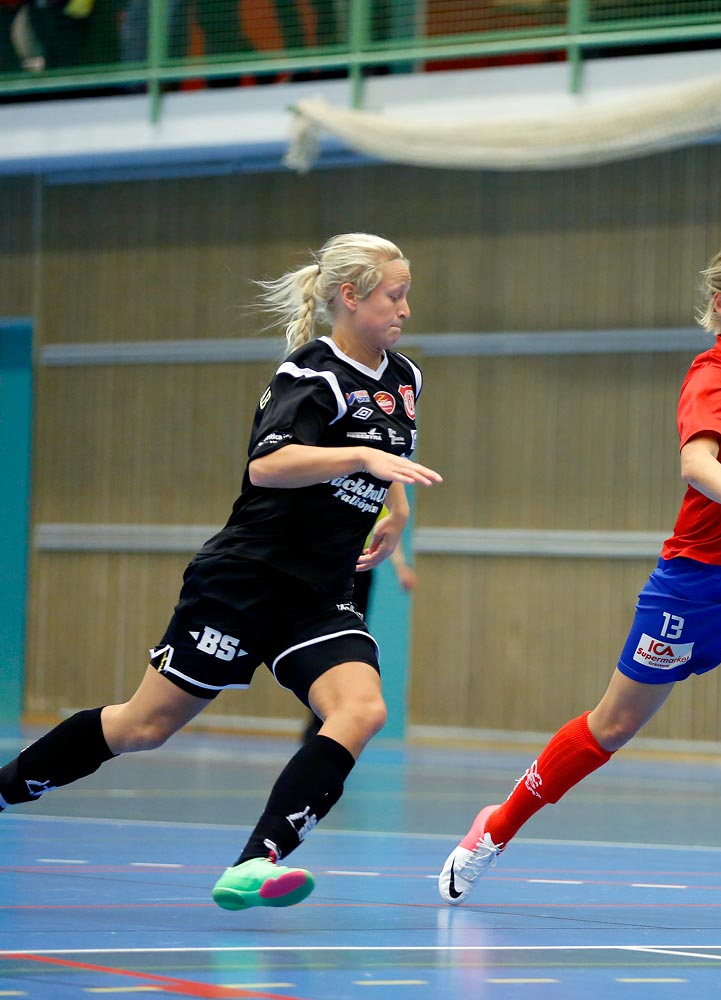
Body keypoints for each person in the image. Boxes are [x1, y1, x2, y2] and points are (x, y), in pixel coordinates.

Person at [438, 237, 721, 905]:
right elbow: (698, 464)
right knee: (611, 726)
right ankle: (494, 830)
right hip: (696, 585)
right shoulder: (712, 378)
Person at [0, 233, 441, 911]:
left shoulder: (405, 378)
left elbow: (391, 453)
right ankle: (5, 788)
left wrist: (397, 510)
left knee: (362, 709)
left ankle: (253, 865)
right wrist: (357, 460)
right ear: (350, 298)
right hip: (246, 580)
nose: (406, 308)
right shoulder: (309, 375)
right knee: (142, 728)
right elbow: (269, 464)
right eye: (395, 294)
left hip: (320, 594)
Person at [301, 522, 415, 744]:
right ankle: (318, 720)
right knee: (321, 640)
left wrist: (401, 567)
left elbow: (389, 529)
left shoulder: (376, 494)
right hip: (327, 568)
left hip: (360, 570)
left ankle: (327, 721)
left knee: (352, 639)